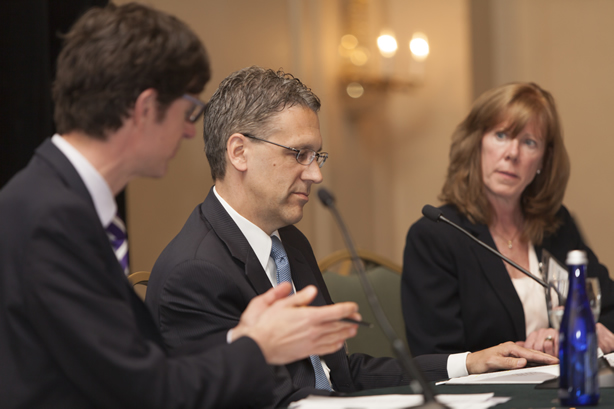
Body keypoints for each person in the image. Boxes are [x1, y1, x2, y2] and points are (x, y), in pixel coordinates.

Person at [0, 4, 362, 408]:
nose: (191, 131)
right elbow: (144, 392)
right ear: (144, 108)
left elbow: (138, 373)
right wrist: (257, 346)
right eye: (188, 110)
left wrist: (241, 341)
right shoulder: (50, 217)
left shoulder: (53, 199)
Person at [145, 67, 557, 408]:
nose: (315, 173)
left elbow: (338, 373)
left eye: (317, 156)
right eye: (298, 154)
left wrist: (468, 363)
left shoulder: (287, 241)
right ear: (239, 152)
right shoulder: (195, 272)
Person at [401, 82, 614, 358]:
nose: (512, 153)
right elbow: (435, 356)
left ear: (543, 162)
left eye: (529, 142)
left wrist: (589, 329)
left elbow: (608, 308)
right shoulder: (435, 235)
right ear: (476, 144)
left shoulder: (557, 225)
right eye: (501, 135)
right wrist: (527, 350)